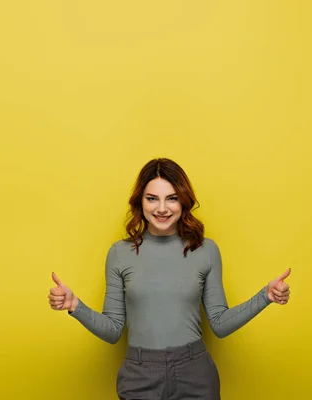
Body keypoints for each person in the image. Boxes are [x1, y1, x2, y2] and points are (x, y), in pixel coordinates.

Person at [47, 158, 291, 400]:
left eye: (171, 198)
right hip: (139, 374)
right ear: (139, 201)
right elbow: (112, 330)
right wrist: (74, 305)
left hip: (195, 373)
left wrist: (266, 296)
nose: (161, 208)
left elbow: (220, 323)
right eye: (152, 198)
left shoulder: (206, 250)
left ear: (183, 201)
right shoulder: (119, 254)